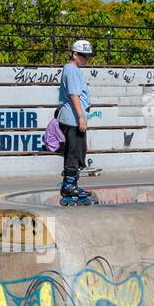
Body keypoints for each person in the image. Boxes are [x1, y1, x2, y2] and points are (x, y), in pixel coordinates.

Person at [56, 40, 95, 204]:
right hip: (72, 118)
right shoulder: (71, 70)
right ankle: (69, 185)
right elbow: (74, 95)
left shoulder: (74, 70)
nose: (86, 59)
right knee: (73, 152)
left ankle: (73, 182)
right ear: (74, 54)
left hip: (74, 117)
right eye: (83, 56)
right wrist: (81, 116)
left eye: (88, 56)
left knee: (79, 152)